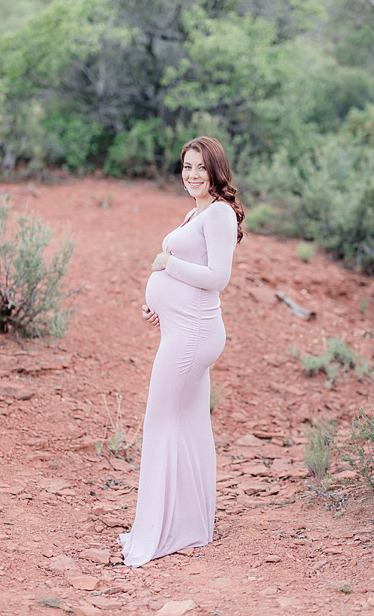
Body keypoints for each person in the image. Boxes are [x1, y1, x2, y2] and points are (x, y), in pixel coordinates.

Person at [117, 136, 244, 567]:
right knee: (186, 422)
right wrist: (159, 305)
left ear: (215, 171)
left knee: (162, 420)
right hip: (182, 329)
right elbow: (190, 281)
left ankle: (163, 528)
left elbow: (218, 276)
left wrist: (166, 267)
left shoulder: (220, 215)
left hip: (193, 336)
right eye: (186, 166)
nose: (191, 174)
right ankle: (190, 524)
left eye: (200, 167)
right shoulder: (198, 212)